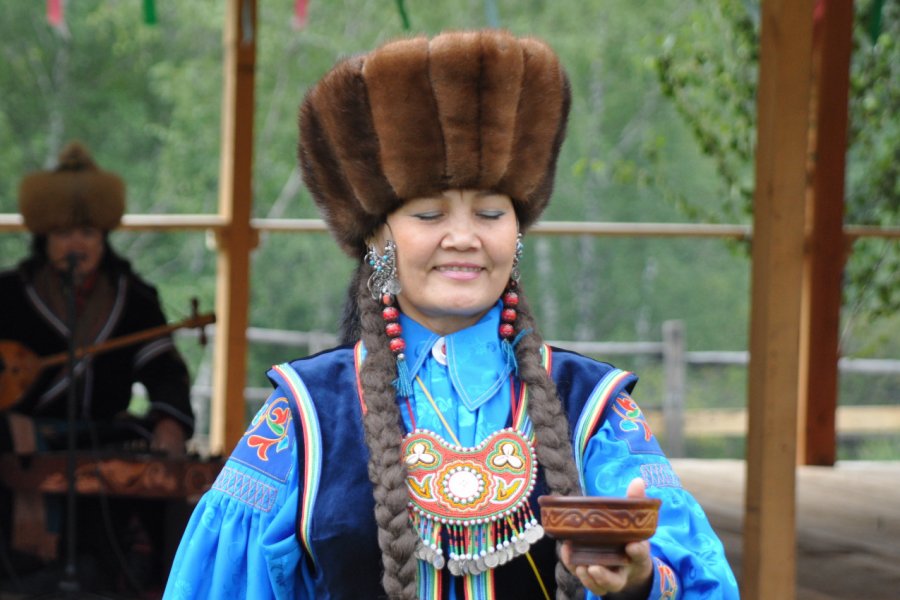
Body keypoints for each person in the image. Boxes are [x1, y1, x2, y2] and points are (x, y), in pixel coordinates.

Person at [165, 30, 739, 599]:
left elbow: (692, 575)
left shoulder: (593, 407)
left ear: (517, 234)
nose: (463, 238)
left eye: (490, 213)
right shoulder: (306, 413)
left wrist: (637, 580)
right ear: (376, 239)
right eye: (430, 215)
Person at [0, 141, 195, 593]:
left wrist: (169, 419)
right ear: (45, 239)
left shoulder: (134, 297)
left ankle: (135, 577)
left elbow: (164, 368)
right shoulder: (9, 295)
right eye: (64, 234)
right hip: (17, 431)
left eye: (87, 234)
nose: (76, 244)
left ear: (102, 239)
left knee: (150, 449)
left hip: (99, 431)